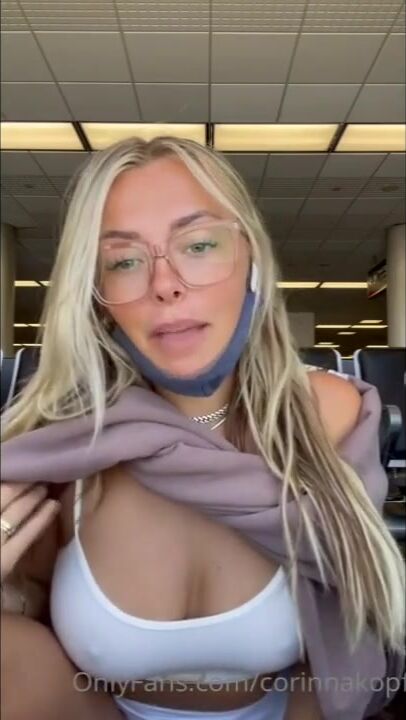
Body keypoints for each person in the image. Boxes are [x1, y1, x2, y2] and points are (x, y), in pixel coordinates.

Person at [1, 136, 404, 720]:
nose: (165, 283)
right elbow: (29, 611)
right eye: (125, 261)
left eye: (198, 245)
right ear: (98, 296)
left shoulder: (324, 415)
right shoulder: (64, 444)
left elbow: (352, 629)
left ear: (251, 258)